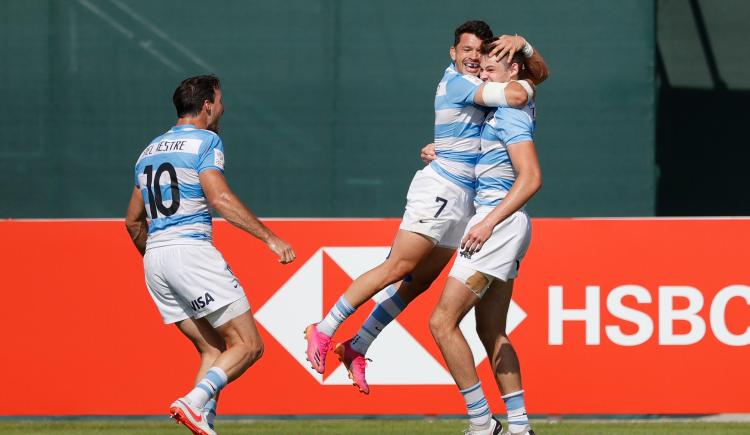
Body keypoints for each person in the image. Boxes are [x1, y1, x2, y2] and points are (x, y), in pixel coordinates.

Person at [304, 20, 548, 395]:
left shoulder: (486, 85)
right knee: (399, 267)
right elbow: (518, 95)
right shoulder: (461, 82)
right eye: (466, 50)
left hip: (466, 199)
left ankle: (358, 345)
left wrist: (526, 53)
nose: (473, 58)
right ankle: (323, 329)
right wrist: (530, 86)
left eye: (480, 53)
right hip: (441, 190)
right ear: (453, 53)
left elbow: (517, 92)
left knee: (418, 283)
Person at [125, 75, 295, 435]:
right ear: (206, 106)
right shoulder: (206, 140)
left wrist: (160, 259)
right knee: (249, 345)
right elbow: (219, 199)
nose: (223, 107)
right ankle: (192, 402)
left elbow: (132, 221)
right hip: (191, 251)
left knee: (214, 350)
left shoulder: (149, 150)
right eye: (219, 101)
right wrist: (270, 238)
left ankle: (200, 418)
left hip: (156, 257)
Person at [429, 40, 541, 435]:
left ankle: (481, 423)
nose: (484, 74)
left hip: (498, 226)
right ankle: (521, 427)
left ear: (513, 73)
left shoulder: (510, 114)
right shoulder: (499, 110)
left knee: (442, 322)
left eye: (493, 69)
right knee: (491, 331)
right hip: (506, 225)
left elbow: (531, 178)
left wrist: (488, 222)